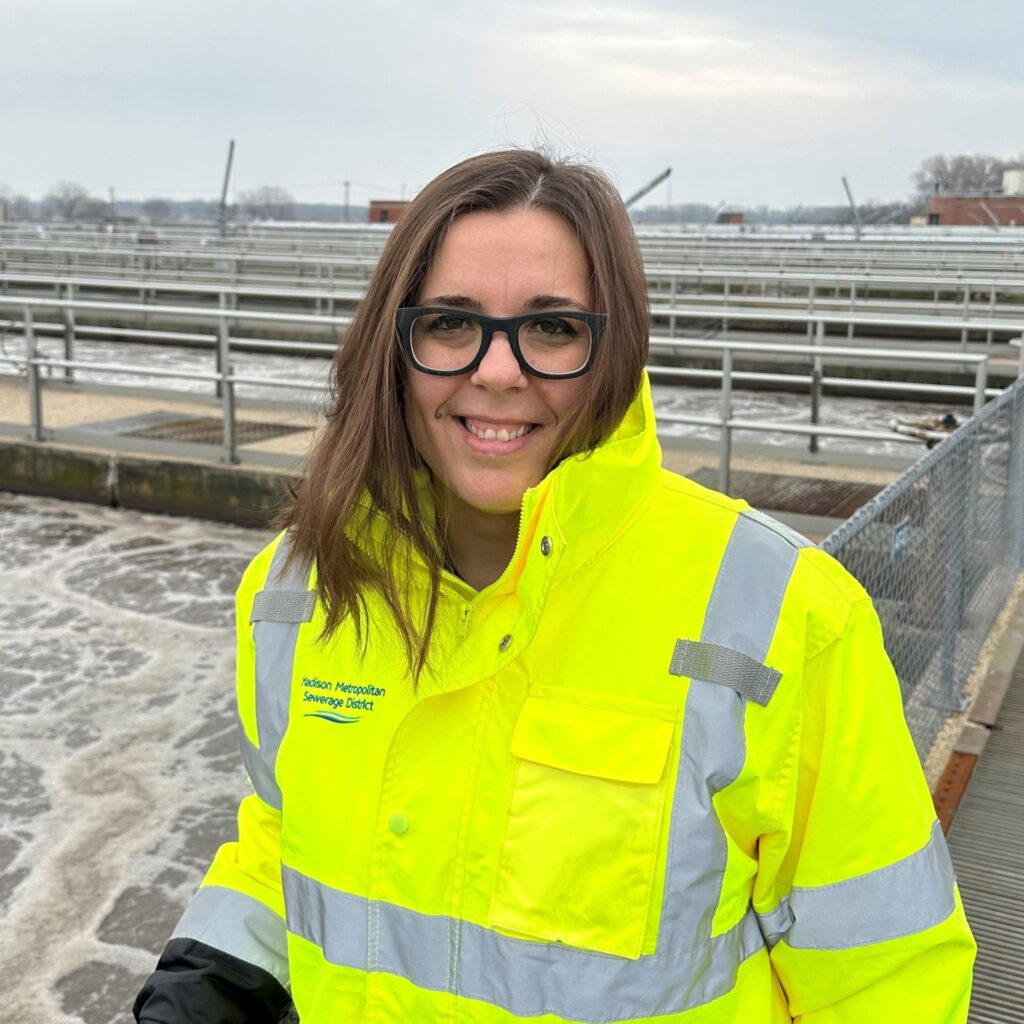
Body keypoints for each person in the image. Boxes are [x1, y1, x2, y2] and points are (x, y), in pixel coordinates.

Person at [134, 149, 975, 1023]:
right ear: (395, 344)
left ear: (612, 350)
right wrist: (205, 992)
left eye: (552, 329)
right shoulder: (294, 593)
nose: (498, 371)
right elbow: (283, 844)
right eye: (451, 323)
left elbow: (889, 982)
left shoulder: (783, 616)